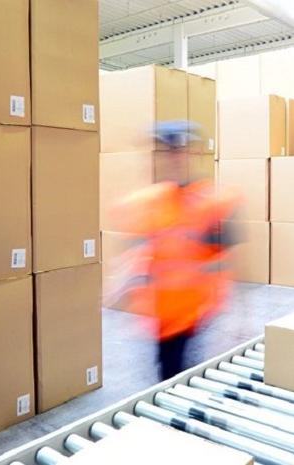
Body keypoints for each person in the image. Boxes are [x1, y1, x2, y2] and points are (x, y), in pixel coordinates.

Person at [107, 120, 241, 380]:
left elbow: (229, 254)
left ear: (192, 153)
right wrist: (121, 282)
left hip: (192, 314)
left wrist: (239, 315)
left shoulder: (210, 202)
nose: (174, 159)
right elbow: (139, 244)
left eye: (179, 151)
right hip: (162, 314)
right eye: (168, 152)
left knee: (180, 376)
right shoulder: (153, 201)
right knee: (168, 372)